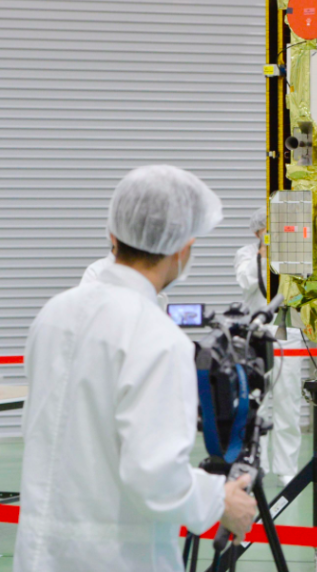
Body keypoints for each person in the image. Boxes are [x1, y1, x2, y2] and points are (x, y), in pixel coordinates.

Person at [15, 165, 257, 572]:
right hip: (114, 559)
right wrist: (221, 501)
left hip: (41, 553)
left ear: (114, 235)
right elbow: (155, 476)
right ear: (184, 247)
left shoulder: (54, 313)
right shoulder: (156, 337)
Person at [234, 206, 304, 486]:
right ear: (257, 231)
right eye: (267, 228)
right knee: (256, 404)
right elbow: (245, 282)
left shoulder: (293, 254)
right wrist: (263, 256)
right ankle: (254, 465)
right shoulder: (246, 255)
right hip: (257, 335)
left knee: (289, 402)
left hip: (288, 333)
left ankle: (286, 467)